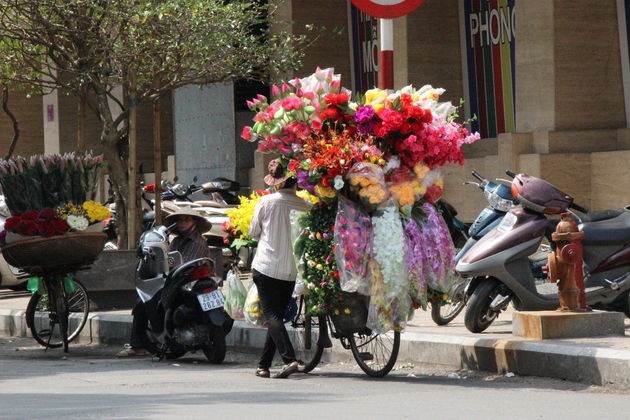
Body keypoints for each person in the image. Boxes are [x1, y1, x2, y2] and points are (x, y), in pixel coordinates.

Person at [116, 208, 213, 357]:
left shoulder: (197, 242)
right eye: (180, 220)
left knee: (150, 300)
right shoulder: (177, 241)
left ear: (195, 222)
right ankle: (148, 341)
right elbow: (169, 260)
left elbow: (184, 265)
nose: (182, 223)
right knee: (144, 302)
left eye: (187, 219)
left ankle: (140, 344)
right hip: (181, 282)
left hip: (189, 283)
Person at [249, 159, 312, 378]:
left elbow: (253, 231)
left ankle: (289, 359)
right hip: (289, 271)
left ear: (277, 183)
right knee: (275, 315)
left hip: (266, 267)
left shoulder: (267, 203)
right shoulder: (305, 205)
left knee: (272, 316)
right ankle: (263, 365)